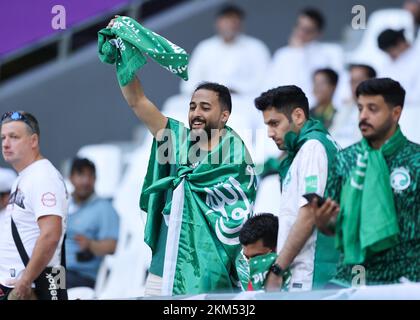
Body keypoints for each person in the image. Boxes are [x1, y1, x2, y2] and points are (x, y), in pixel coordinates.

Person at [107, 17, 256, 297]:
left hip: (210, 270)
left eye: (205, 107)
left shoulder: (235, 154)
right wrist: (122, 50)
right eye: (192, 106)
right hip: (165, 265)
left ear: (224, 115)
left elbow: (237, 219)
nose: (196, 113)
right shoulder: (175, 141)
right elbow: (137, 101)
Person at [312, 78, 420, 286]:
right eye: (360, 108)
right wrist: (325, 222)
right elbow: (334, 225)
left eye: (373, 109)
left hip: (407, 277)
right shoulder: (345, 159)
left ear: (395, 113)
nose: (363, 116)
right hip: (354, 275)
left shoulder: (416, 160)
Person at [253, 85, 340, 291]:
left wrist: (277, 269)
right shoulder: (313, 146)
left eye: (274, 123)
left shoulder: (313, 148)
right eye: (267, 125)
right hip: (315, 271)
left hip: (314, 271)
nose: (269, 133)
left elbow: (309, 214)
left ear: (298, 116)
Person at [0, 111, 68, 300]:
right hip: (22, 284)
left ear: (33, 141)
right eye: (3, 138)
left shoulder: (43, 177)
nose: (5, 144)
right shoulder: (26, 176)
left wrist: (24, 281)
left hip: (34, 286)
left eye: (14, 137)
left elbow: (50, 235)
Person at [180, 4, 270, 96]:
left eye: (234, 21)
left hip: (242, 99)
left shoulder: (256, 47)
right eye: (226, 20)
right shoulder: (205, 47)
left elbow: (264, 81)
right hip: (207, 98)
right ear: (217, 23)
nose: (230, 25)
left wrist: (237, 90)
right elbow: (190, 81)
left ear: (241, 24)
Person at [263, 8, 343, 105]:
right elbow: (269, 84)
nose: (301, 33)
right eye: (299, 27)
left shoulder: (326, 54)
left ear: (318, 33)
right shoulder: (282, 54)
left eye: (307, 30)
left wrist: (298, 53)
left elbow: (307, 86)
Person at [65, 158, 119, 289]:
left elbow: (113, 246)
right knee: (28, 281)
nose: (86, 181)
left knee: (50, 286)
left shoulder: (104, 208)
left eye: (90, 176)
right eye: (81, 175)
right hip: (58, 270)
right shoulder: (63, 203)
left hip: (82, 275)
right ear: (71, 178)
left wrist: (90, 244)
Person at [329, 64, 377, 148]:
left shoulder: (378, 110)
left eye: (358, 80)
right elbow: (331, 135)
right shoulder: (344, 108)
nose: (354, 86)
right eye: (352, 81)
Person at [236, 213, 280, 291]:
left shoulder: (298, 276)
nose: (250, 263)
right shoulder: (254, 280)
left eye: (255, 257)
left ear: (276, 248)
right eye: (247, 258)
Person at [377, 29, 420, 105]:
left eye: (390, 51)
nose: (390, 55)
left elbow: (416, 96)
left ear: (400, 43)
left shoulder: (417, 58)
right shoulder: (388, 63)